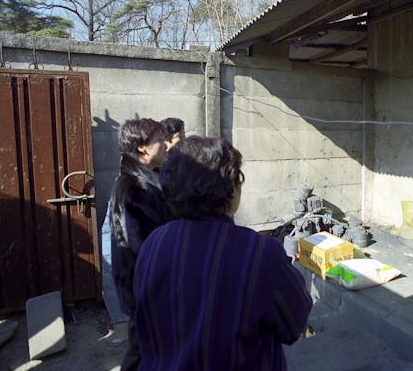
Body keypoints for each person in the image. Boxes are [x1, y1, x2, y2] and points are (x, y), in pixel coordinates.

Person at [133, 136, 312, 370]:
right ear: (231, 188)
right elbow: (293, 325)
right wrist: (293, 273)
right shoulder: (260, 253)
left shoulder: (154, 243)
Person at [109, 118, 172, 370]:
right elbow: (147, 248)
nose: (166, 145)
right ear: (142, 148)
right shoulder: (135, 188)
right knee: (143, 351)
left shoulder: (148, 179)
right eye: (160, 140)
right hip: (145, 289)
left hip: (147, 287)